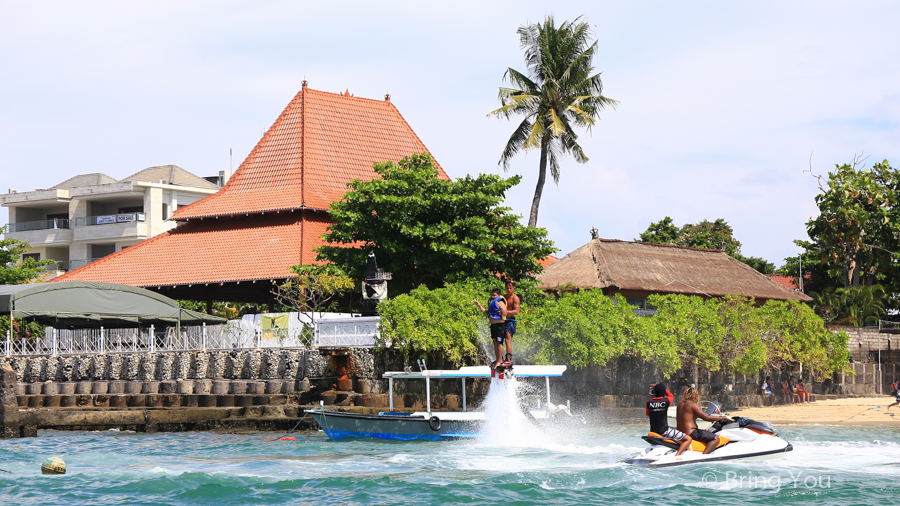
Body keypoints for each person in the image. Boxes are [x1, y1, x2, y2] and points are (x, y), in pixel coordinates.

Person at [676, 387, 729, 455]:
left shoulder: (680, 403)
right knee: (716, 438)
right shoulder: (693, 404)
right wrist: (721, 418)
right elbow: (706, 417)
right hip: (691, 432)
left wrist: (712, 418)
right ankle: (704, 456)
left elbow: (688, 415)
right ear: (695, 395)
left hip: (680, 432)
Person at [646, 383, 692, 456]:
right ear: (663, 392)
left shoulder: (649, 402)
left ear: (654, 392)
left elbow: (648, 414)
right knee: (688, 439)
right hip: (664, 431)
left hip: (653, 430)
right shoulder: (666, 401)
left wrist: (655, 391)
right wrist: (658, 386)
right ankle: (677, 455)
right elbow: (670, 395)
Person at [474, 288, 507, 369]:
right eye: (492, 295)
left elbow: (505, 313)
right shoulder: (492, 303)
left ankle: (500, 361)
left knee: (499, 343)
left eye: (494, 295)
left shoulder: (501, 302)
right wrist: (479, 306)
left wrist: (501, 307)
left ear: (499, 295)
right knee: (495, 342)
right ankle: (497, 360)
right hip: (493, 326)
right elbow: (487, 313)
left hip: (500, 325)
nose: (493, 297)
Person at [502, 280, 521, 366]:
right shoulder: (503, 297)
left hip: (510, 321)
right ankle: (500, 358)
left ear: (513, 288)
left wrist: (506, 312)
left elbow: (517, 311)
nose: (508, 289)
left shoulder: (515, 298)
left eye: (510, 288)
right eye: (507, 288)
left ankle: (508, 358)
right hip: (502, 320)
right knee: (500, 339)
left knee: (507, 339)